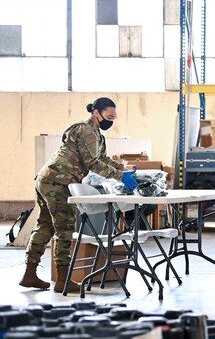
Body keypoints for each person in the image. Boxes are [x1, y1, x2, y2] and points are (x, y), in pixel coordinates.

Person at [22, 97, 138, 293]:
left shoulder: (95, 133)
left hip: (49, 179)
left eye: (114, 117)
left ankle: (29, 274)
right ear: (96, 113)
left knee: (45, 225)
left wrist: (123, 169)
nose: (111, 121)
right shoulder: (86, 131)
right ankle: (63, 280)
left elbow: (101, 158)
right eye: (109, 116)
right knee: (64, 229)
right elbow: (93, 163)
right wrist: (120, 176)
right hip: (59, 181)